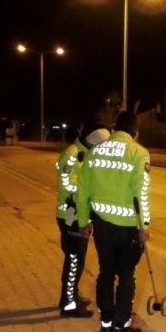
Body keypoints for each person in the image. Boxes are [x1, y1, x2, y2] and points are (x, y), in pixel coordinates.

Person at [77, 111, 151, 332]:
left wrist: (83, 221)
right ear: (135, 132)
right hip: (128, 227)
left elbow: (82, 191)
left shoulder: (95, 151)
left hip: (102, 226)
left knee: (105, 273)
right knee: (126, 276)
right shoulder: (138, 153)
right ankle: (121, 326)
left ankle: (106, 324)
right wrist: (144, 226)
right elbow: (141, 194)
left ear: (115, 128)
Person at [56, 125, 110, 318]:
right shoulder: (72, 154)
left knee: (77, 260)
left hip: (79, 216)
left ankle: (71, 296)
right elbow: (67, 184)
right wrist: (90, 191)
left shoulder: (85, 154)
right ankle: (68, 304)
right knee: (74, 260)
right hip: (70, 215)